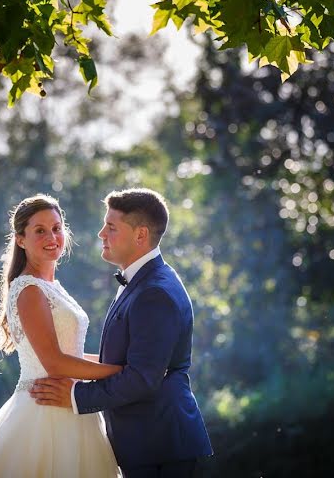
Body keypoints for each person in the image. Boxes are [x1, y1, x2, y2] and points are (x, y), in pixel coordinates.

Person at [31, 188, 213, 478]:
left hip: (161, 448)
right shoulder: (143, 280)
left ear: (140, 235)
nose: (101, 233)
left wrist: (77, 395)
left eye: (111, 227)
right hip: (147, 445)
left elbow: (142, 378)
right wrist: (64, 362)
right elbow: (124, 360)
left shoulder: (155, 291)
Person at [0, 194, 121, 477]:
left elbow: (73, 355)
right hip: (45, 412)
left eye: (56, 228)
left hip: (73, 405)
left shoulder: (53, 287)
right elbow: (55, 363)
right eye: (40, 230)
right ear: (21, 239)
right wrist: (120, 371)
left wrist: (123, 362)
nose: (52, 236)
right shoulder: (29, 290)